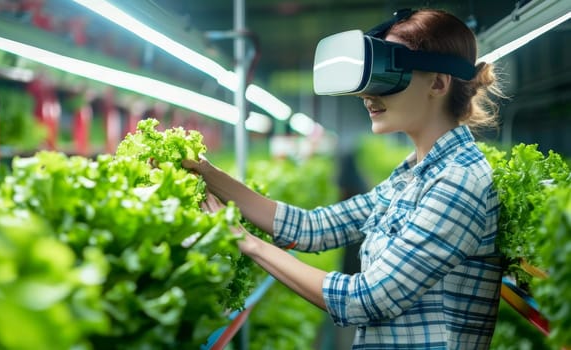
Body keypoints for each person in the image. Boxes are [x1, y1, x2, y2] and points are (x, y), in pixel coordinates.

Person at [183, 8, 504, 349]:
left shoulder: (458, 181)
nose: (367, 95)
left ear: (438, 83)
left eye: (387, 73)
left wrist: (246, 242)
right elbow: (312, 227)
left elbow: (366, 299)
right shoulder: (411, 176)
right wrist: (205, 171)